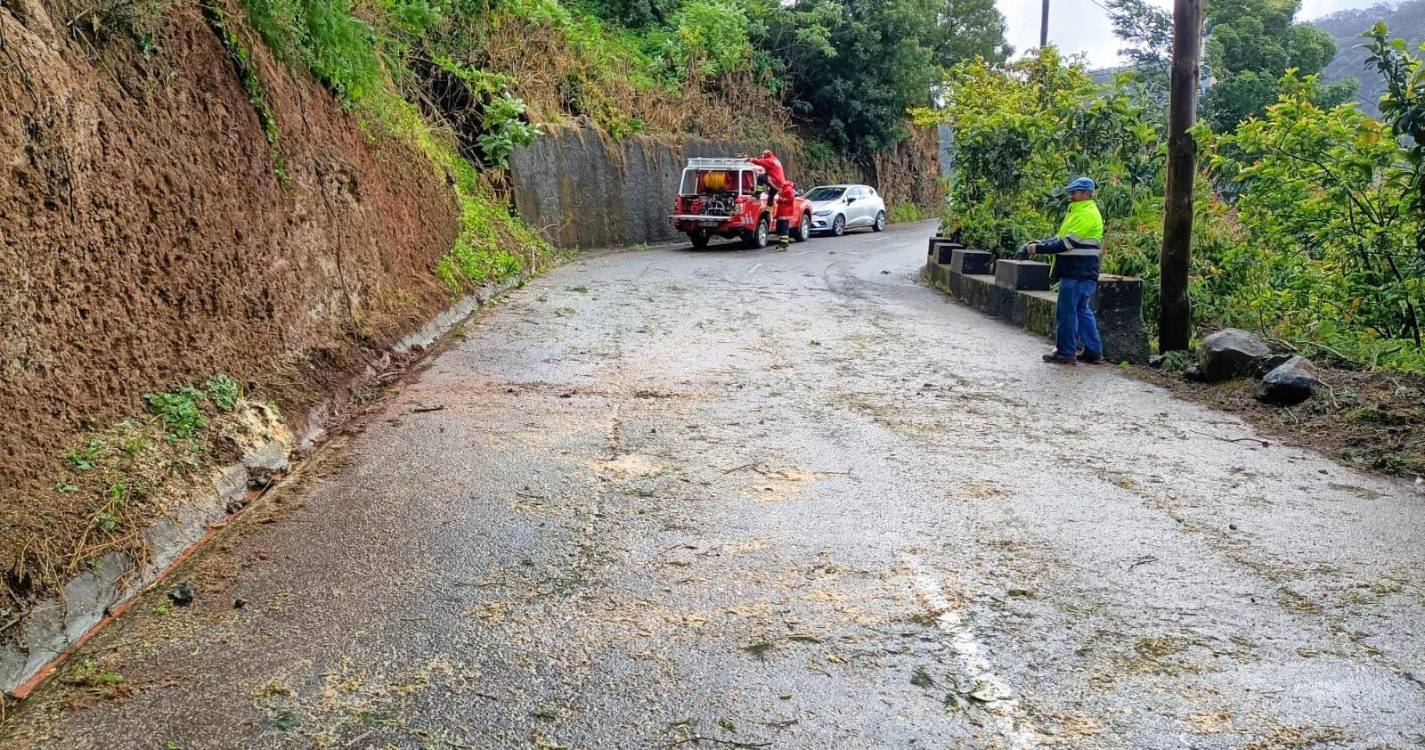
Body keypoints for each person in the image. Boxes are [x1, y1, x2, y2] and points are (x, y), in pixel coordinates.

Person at [1019, 177, 1105, 365]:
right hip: (1085, 271)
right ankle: (1092, 350)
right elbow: (1059, 238)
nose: (1071, 196)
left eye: (1074, 192)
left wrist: (1036, 249)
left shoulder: (1085, 214)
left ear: (1085, 193)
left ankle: (1066, 352)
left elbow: (1066, 243)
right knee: (1082, 310)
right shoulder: (1079, 212)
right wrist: (1041, 243)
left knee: (1067, 312)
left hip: (1076, 271)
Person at [774, 181, 798, 251]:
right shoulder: (784, 188)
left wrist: (780, 199)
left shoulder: (788, 189)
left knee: (783, 230)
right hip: (782, 212)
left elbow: (790, 199)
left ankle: (783, 245)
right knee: (780, 229)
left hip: (785, 213)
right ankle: (782, 243)